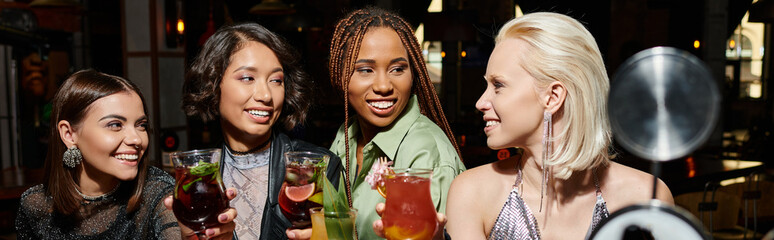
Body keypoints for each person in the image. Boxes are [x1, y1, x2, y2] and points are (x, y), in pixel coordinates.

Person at [445, 12, 674, 239]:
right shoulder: (472, 193)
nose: (480, 102)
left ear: (553, 96)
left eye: (498, 85)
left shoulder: (645, 197)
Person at [301, 6, 466, 240]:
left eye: (398, 69)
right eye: (366, 70)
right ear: (340, 75)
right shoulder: (346, 135)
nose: (383, 86)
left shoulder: (428, 153)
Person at [15, 69, 236, 239]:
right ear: (69, 134)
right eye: (115, 124)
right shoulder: (35, 206)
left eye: (141, 125)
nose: (137, 139)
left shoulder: (157, 193)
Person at [180, 22, 343, 239]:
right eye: (248, 78)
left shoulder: (318, 168)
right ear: (212, 85)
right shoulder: (198, 179)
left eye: (276, 80)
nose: (266, 95)